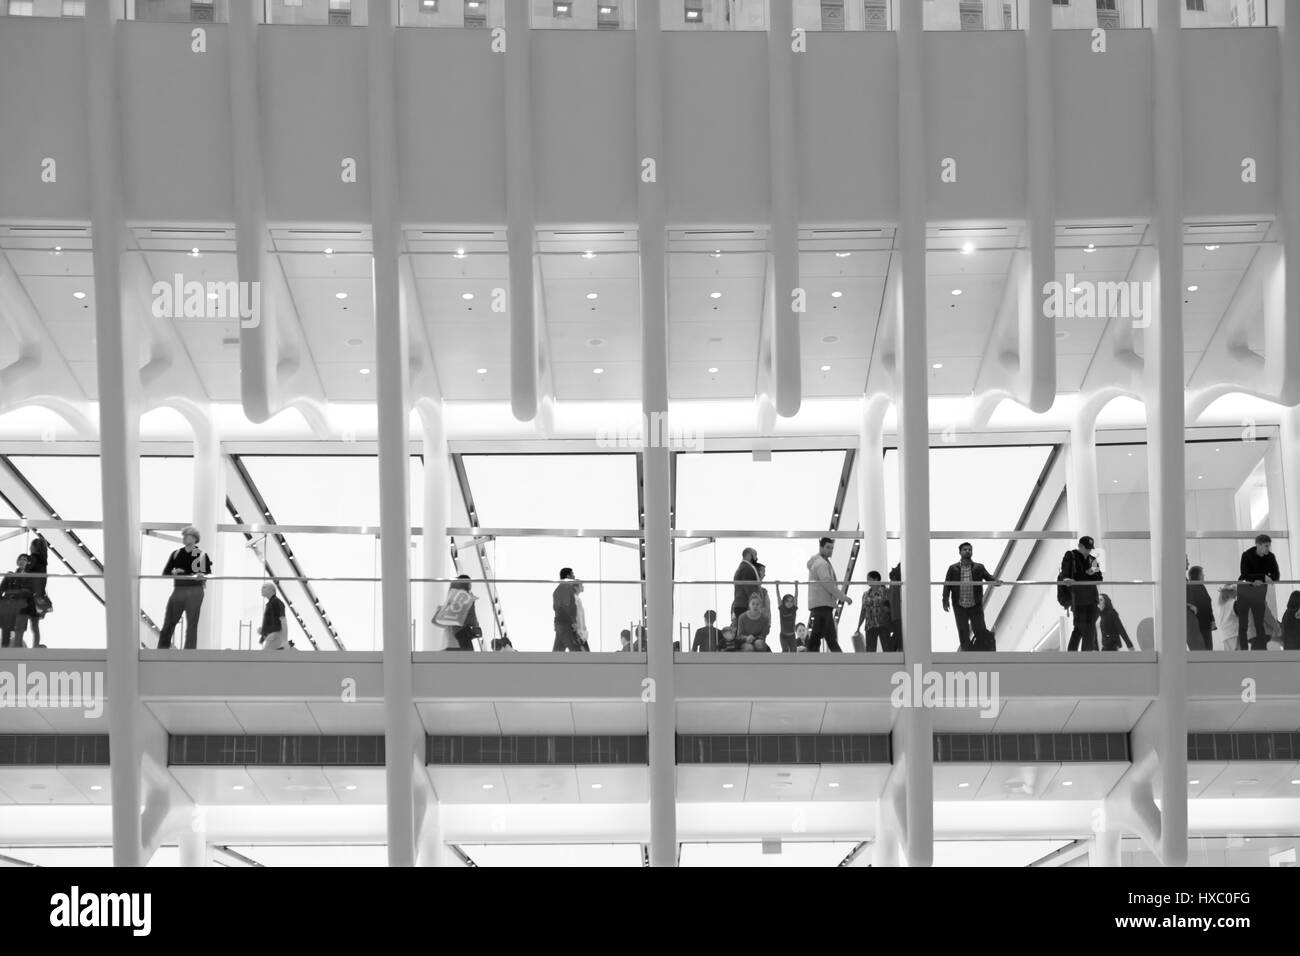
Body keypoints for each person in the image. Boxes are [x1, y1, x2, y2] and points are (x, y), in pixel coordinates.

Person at [158, 526, 212, 650]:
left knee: (192, 623)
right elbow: (165, 572)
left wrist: (201, 575)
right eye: (184, 535)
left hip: (195, 590)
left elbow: (208, 573)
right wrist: (174, 572)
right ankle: (162, 647)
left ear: (194, 539)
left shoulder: (202, 554)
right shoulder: (176, 553)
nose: (184, 538)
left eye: (187, 536)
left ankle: (189, 650)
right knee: (169, 620)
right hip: (179, 588)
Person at [941, 542, 998, 651]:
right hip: (959, 604)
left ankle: (983, 652)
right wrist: (945, 600)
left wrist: (996, 581)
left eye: (969, 549)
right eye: (965, 549)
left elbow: (988, 577)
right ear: (960, 552)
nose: (967, 551)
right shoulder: (953, 568)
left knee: (980, 629)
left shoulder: (979, 567)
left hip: (974, 604)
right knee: (963, 631)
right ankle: (966, 654)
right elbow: (947, 584)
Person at [806, 537, 852, 653]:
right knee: (829, 635)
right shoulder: (822, 564)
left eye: (831, 548)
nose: (830, 550)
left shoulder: (821, 562)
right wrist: (844, 597)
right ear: (821, 548)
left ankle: (811, 655)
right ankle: (839, 658)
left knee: (820, 633)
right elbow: (828, 584)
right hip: (823, 602)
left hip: (820, 602)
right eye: (827, 547)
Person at [1058, 535, 1103, 652]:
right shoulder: (1071, 555)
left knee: (1090, 627)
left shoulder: (1092, 560)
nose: (1088, 551)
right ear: (1080, 546)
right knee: (1079, 626)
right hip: (1078, 598)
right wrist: (1071, 578)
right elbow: (1066, 573)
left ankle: (1086, 654)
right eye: (1086, 548)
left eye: (1090, 548)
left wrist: (1088, 574)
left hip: (1092, 598)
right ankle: (1071, 654)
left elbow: (1099, 577)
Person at [1237, 534, 1280, 651]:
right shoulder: (1246, 555)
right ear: (1258, 545)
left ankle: (1262, 650)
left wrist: (1259, 579)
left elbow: (1276, 576)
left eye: (1269, 546)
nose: (1268, 549)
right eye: (1266, 546)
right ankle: (1244, 651)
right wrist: (1263, 576)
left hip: (1259, 592)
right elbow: (1245, 574)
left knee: (1259, 622)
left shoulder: (1270, 557)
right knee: (1243, 623)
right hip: (1244, 590)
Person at [854, 571, 892, 652]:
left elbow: (889, 607)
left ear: (876, 579)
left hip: (883, 624)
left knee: (887, 648)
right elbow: (863, 611)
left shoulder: (885, 591)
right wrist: (858, 626)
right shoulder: (865, 594)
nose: (867, 581)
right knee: (870, 651)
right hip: (870, 625)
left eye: (869, 578)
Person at [0, 554, 33, 649]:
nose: (23, 561)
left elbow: (30, 592)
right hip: (8, 605)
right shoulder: (10, 575)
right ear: (18, 562)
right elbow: (1, 589)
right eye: (21, 559)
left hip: (21, 606)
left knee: (19, 631)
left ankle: (17, 656)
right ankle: (4, 655)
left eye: (25, 560)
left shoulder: (30, 577)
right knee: (6, 630)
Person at [443, 575, 482, 651]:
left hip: (454, 629)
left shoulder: (453, 595)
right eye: (470, 583)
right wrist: (476, 626)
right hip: (463, 629)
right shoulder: (468, 596)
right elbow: (471, 615)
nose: (471, 585)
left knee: (462, 650)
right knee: (468, 652)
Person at [552, 567, 585, 652]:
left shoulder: (557, 590)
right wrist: (573, 622)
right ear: (568, 576)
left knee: (557, 653)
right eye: (572, 574)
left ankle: (552, 665)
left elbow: (556, 608)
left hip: (560, 626)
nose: (574, 577)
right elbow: (567, 607)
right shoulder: (566, 588)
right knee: (578, 653)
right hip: (566, 626)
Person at [26, 536, 48, 648]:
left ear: (34, 547)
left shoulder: (33, 558)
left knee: (19, 619)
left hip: (30, 595)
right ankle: (35, 646)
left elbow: (26, 571)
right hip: (39, 595)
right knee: (35, 625)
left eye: (31, 545)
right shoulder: (44, 562)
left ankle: (15, 644)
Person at [1186, 565, 1216, 651]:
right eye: (1202, 573)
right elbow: (1205, 605)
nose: (1204, 575)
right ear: (1198, 575)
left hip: (1201, 623)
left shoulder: (1196, 586)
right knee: (1206, 650)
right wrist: (1212, 620)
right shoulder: (1197, 587)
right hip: (1202, 624)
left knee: (1204, 650)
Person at [731, 547, 761, 627]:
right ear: (748, 555)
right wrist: (754, 604)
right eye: (755, 555)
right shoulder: (747, 568)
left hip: (741, 605)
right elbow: (749, 588)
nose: (756, 558)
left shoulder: (742, 567)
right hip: (745, 605)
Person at [257, 582, 287, 651]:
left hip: (275, 637)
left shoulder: (277, 603)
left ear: (271, 590)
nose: (262, 589)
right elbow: (274, 621)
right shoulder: (271, 604)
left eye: (264, 587)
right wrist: (264, 630)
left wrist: (284, 641)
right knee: (265, 657)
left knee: (264, 657)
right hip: (272, 637)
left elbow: (283, 622)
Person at [774, 584, 799, 652]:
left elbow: (796, 596)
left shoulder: (794, 609)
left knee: (794, 651)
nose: (789, 603)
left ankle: (794, 662)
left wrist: (796, 586)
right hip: (783, 635)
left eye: (791, 601)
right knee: (785, 650)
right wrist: (777, 586)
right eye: (787, 601)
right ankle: (784, 662)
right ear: (784, 602)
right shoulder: (781, 608)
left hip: (792, 636)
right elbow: (778, 597)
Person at [887, 563, 903, 651]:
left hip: (895, 614)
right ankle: (893, 651)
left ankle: (892, 651)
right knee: (898, 635)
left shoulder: (892, 584)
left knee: (897, 634)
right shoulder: (896, 585)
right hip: (898, 614)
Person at [573, 578, 591, 651]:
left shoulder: (576, 599)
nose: (583, 586)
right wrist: (581, 634)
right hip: (580, 636)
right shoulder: (576, 599)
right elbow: (578, 617)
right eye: (581, 585)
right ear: (576, 587)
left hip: (580, 635)